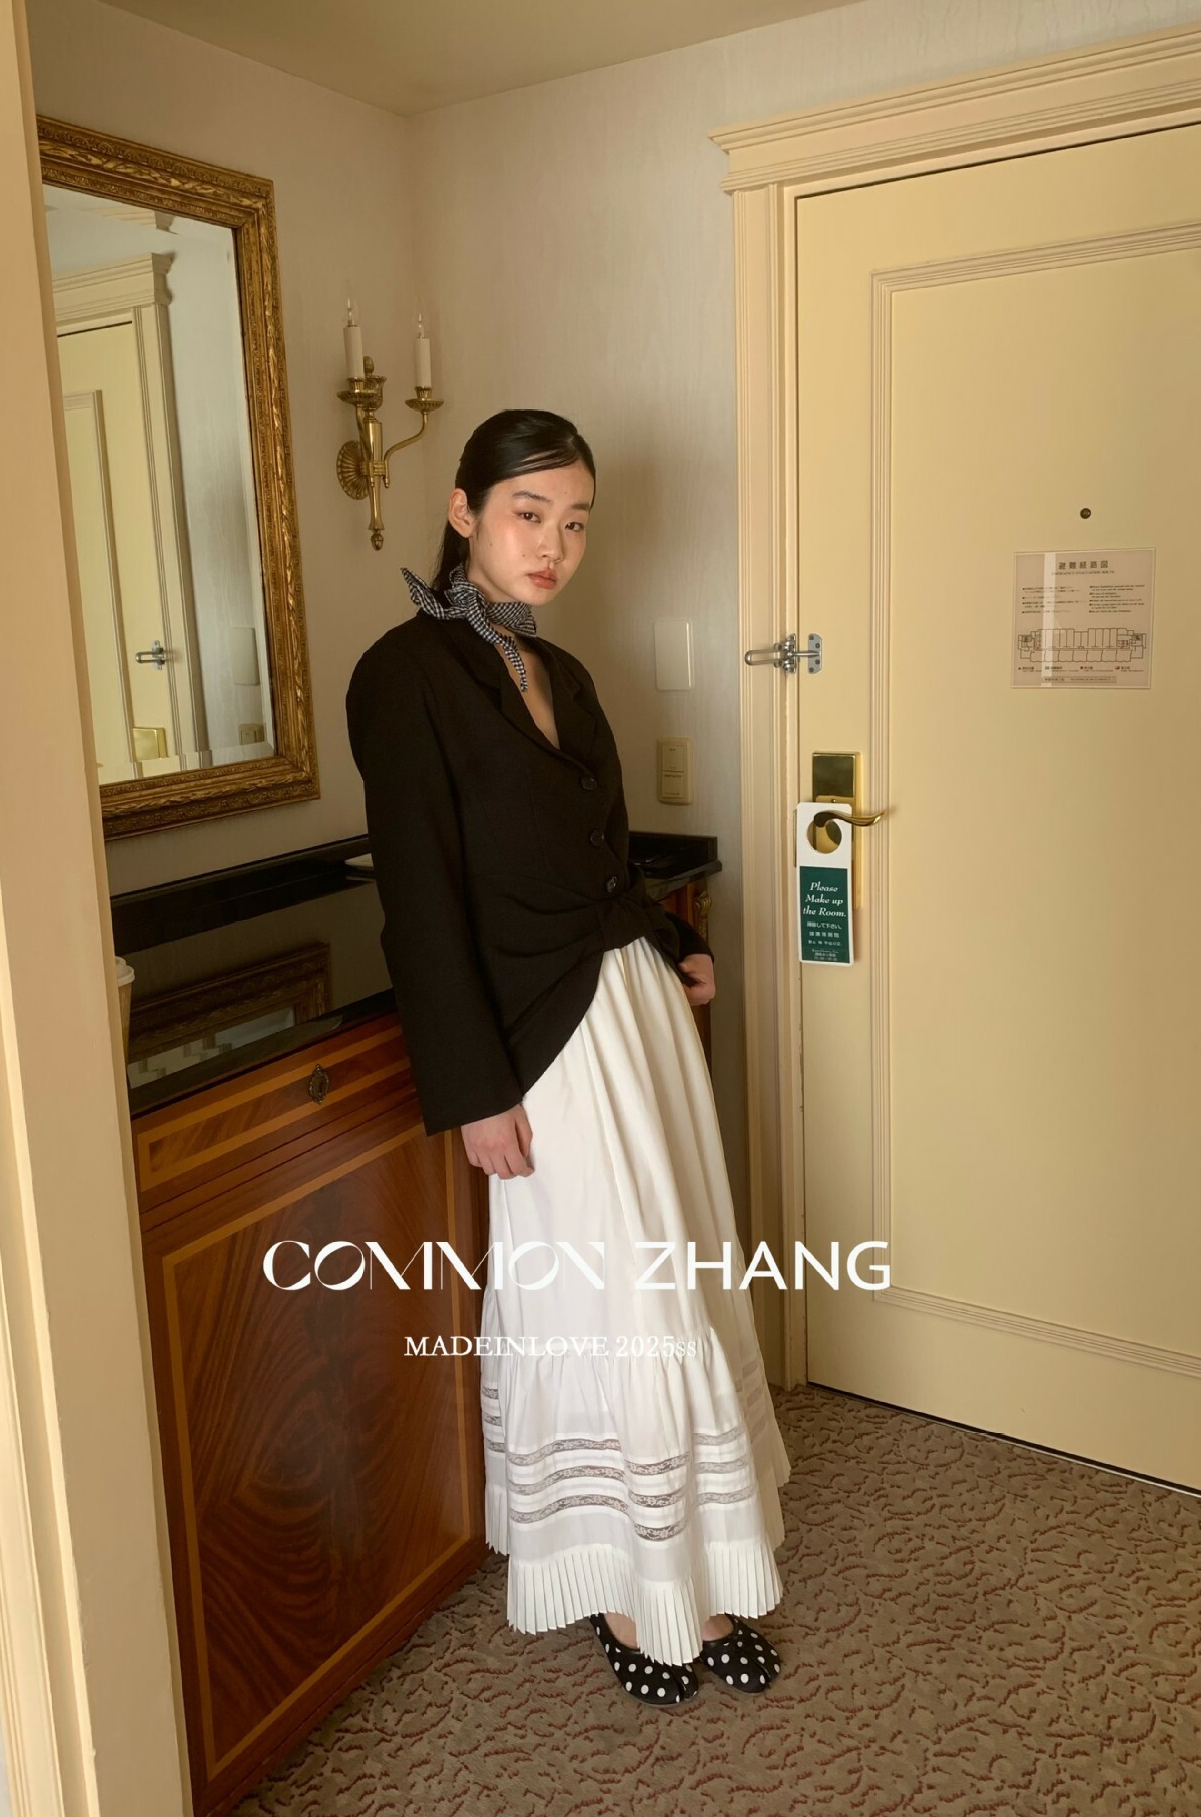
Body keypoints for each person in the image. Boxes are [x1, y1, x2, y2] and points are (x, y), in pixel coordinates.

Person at [345, 408, 791, 1707]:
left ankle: (700, 1573)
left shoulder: (564, 672)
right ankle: (630, 1591)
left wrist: (671, 938)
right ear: (463, 511)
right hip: (540, 1040)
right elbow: (420, 900)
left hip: (631, 1013)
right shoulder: (403, 674)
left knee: (678, 1290)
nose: (553, 543)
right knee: (613, 1312)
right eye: (529, 513)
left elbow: (602, 857)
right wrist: (475, 1092)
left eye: (576, 521)